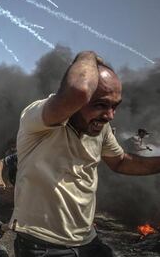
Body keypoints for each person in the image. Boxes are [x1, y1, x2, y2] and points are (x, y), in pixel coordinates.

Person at [12, 51, 160, 257]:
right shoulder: (38, 118)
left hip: (87, 240)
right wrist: (87, 55)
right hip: (43, 244)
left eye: (115, 106)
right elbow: (78, 90)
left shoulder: (101, 129)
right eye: (100, 105)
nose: (109, 115)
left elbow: (120, 162)